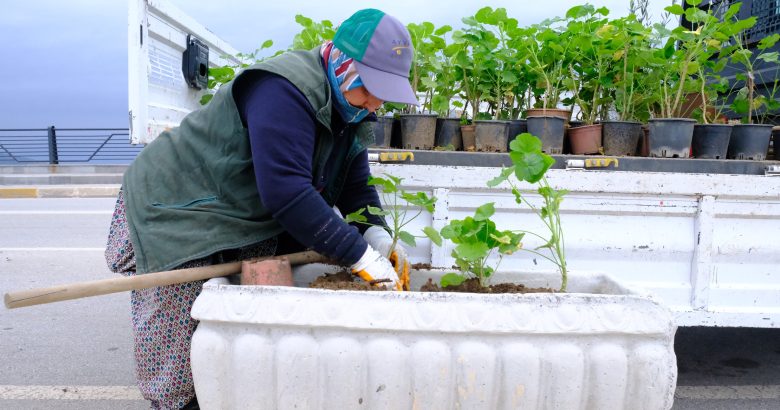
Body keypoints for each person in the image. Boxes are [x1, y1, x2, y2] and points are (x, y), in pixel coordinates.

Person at [104, 9, 418, 410]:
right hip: (176, 207)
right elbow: (287, 193)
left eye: (384, 92)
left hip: (227, 210)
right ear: (343, 65)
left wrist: (376, 233)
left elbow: (356, 187)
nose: (375, 102)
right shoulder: (284, 90)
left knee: (225, 334)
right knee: (178, 342)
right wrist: (360, 257)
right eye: (370, 88)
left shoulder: (351, 109)